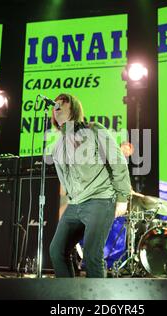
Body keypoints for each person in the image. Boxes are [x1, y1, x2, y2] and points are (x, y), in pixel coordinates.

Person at [49, 93, 131, 278]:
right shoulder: (57, 146)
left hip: (100, 199)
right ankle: (69, 298)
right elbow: (65, 179)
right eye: (56, 104)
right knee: (57, 251)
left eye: (63, 103)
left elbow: (118, 162)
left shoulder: (94, 130)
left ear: (74, 109)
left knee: (92, 255)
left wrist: (122, 198)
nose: (57, 105)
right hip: (76, 203)